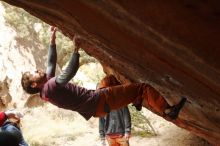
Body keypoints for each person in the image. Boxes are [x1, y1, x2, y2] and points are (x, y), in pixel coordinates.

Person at [21, 26, 187, 121]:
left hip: (95, 104)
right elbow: (69, 73)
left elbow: (50, 64)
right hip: (100, 101)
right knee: (143, 87)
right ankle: (167, 111)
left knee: (110, 79)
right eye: (33, 73)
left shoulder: (45, 92)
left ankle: (136, 101)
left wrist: (52, 39)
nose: (37, 70)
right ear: (34, 84)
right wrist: (76, 49)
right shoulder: (50, 86)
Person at [98, 75, 131, 146]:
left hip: (122, 136)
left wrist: (127, 131)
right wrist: (102, 138)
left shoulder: (122, 102)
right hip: (110, 137)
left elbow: (126, 117)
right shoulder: (102, 104)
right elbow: (101, 121)